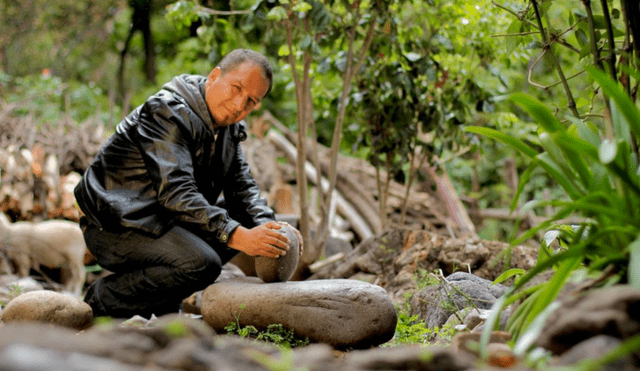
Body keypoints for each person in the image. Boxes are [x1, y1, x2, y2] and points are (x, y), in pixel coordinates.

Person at [74, 49, 302, 319]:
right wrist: (239, 236)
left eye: (251, 101)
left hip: (164, 219)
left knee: (243, 215)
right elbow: (177, 194)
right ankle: (101, 300)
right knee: (202, 264)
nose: (240, 105)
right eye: (236, 88)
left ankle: (163, 303)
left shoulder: (227, 127)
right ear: (214, 76)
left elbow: (243, 189)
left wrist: (271, 227)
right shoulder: (166, 112)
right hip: (115, 224)